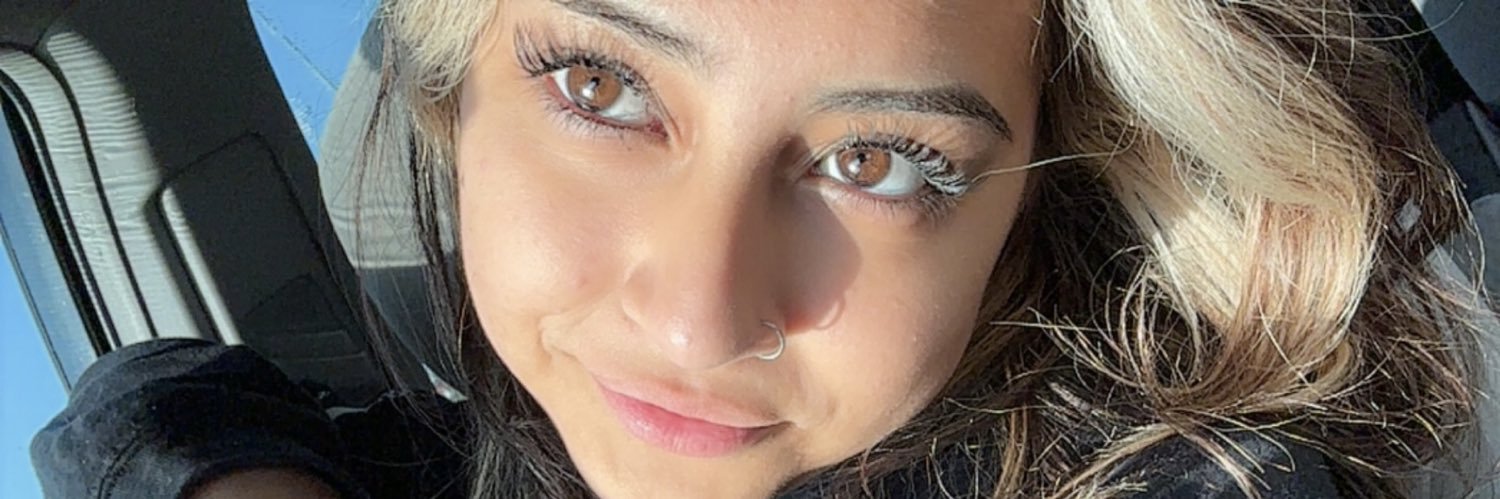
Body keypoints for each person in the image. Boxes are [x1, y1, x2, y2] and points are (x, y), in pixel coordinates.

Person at [30, 0, 1488, 497]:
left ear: (1026, 205)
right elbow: (149, 402)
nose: (696, 319)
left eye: (879, 160)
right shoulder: (504, 450)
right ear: (451, 100)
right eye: (601, 87)